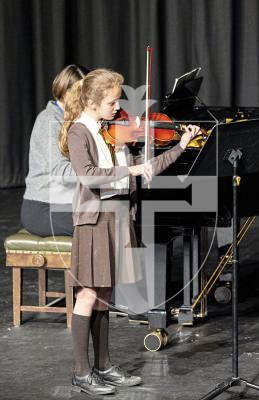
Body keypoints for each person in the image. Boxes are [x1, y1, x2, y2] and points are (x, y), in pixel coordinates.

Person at [59, 68, 201, 396]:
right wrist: (131, 168)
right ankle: (82, 373)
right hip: (95, 220)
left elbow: (148, 168)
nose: (117, 108)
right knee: (87, 294)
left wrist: (180, 145)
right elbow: (89, 176)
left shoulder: (115, 130)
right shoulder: (80, 131)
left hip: (121, 216)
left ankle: (104, 366)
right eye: (111, 102)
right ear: (92, 102)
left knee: (105, 294)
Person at [21, 64, 89, 237]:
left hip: (66, 202)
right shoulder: (48, 120)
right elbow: (61, 172)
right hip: (43, 207)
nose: (87, 100)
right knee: (104, 221)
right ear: (65, 93)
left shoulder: (77, 120)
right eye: (80, 93)